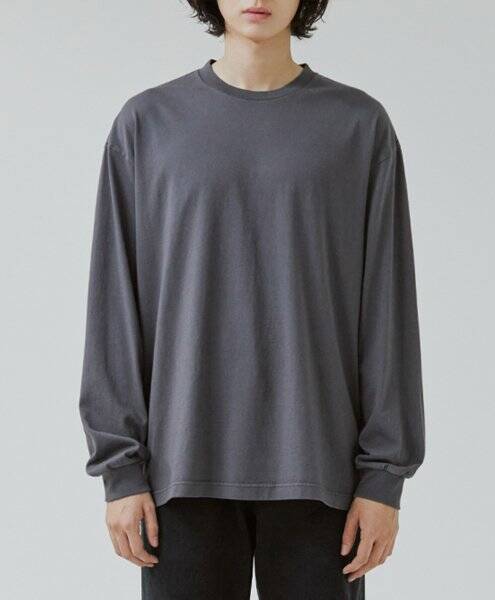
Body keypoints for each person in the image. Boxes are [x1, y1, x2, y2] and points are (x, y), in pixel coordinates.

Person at [78, 1, 425, 598]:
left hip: (323, 474)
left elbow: (388, 309)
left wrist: (383, 479)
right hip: (179, 474)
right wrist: (120, 471)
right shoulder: (147, 124)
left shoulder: (358, 126)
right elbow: (114, 303)